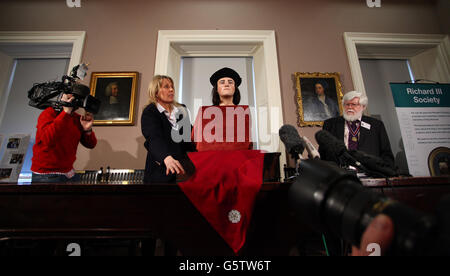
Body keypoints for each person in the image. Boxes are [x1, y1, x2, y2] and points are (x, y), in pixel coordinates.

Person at [31, 84, 97, 183]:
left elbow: (91, 144)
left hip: (68, 173)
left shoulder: (76, 118)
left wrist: (87, 129)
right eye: (71, 97)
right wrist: (65, 113)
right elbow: (47, 140)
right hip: (46, 175)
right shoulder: (49, 113)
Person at [319, 91, 395, 168]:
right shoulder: (330, 124)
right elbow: (323, 152)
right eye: (347, 104)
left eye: (354, 104)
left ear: (364, 107)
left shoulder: (376, 125)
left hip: (369, 171)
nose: (350, 107)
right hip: (339, 173)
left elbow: (386, 153)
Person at [141, 75, 193, 183]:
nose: (171, 89)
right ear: (155, 92)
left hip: (182, 172)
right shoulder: (150, 111)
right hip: (160, 172)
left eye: (172, 86)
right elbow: (154, 137)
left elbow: (189, 139)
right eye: (166, 87)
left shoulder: (181, 110)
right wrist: (166, 157)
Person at [192, 67, 253, 151]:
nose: (226, 84)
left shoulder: (243, 112)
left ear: (235, 88)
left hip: (238, 159)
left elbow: (248, 141)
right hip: (210, 160)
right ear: (216, 89)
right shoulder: (204, 112)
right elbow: (195, 138)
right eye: (222, 82)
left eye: (230, 82)